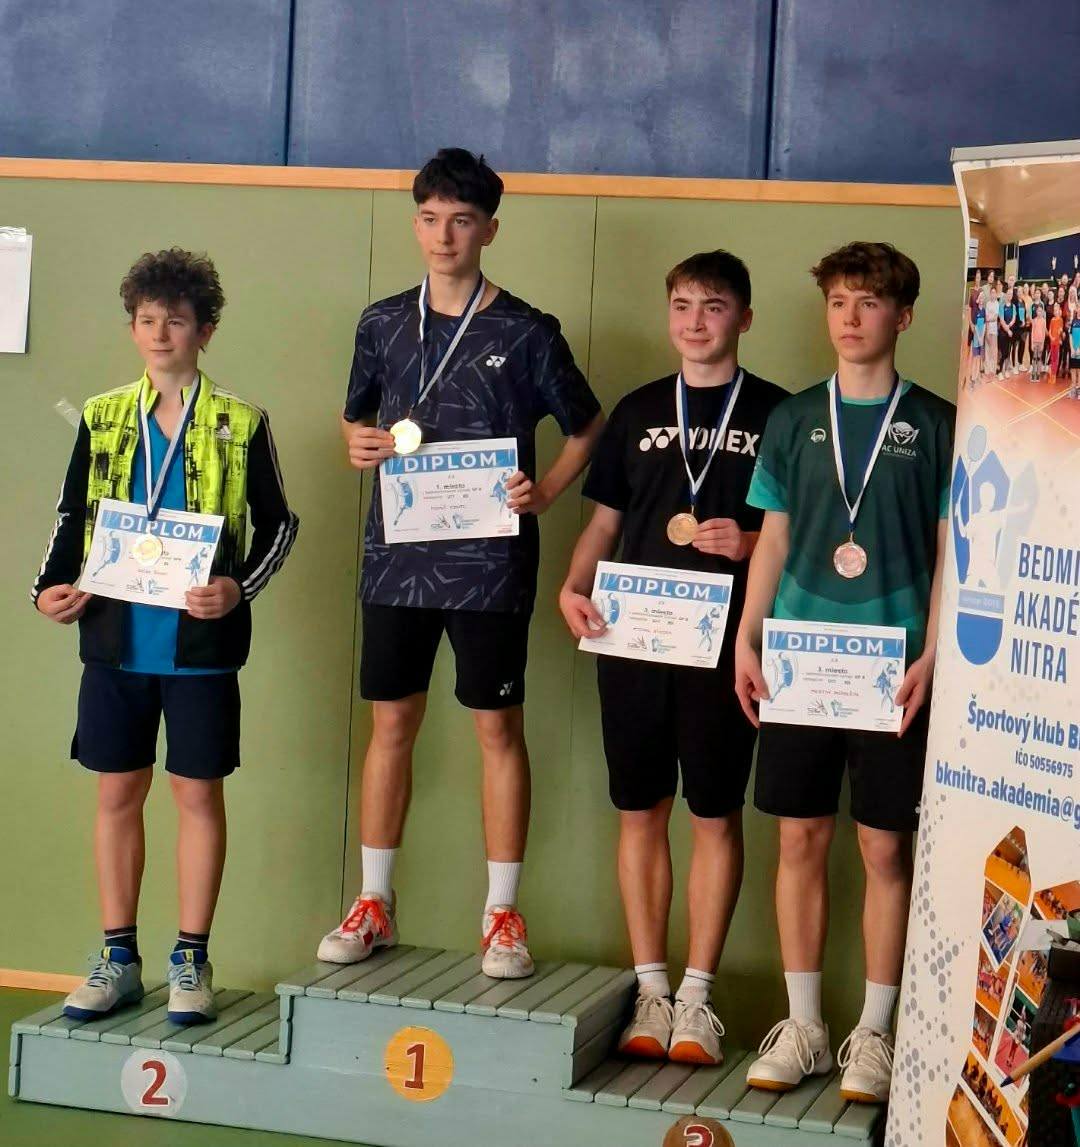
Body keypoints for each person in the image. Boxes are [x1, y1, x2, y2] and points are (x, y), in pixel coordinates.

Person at [322, 148, 603, 979]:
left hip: (489, 562)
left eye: (462, 220)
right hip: (396, 560)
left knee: (496, 728)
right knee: (391, 725)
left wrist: (544, 492)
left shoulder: (527, 330)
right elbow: (354, 420)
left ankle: (502, 914)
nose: (444, 235)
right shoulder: (381, 321)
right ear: (416, 224)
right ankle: (373, 899)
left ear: (489, 230)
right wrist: (356, 445)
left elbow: (586, 426)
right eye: (430, 218)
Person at [33, 248, 298, 1024]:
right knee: (117, 792)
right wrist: (48, 587)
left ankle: (191, 957)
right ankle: (118, 957)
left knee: (196, 794)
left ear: (204, 331)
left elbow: (280, 525)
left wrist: (236, 588)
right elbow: (70, 516)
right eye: (146, 320)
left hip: (200, 648)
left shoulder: (241, 422)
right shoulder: (101, 415)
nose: (159, 333)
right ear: (132, 328)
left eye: (175, 321)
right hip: (114, 640)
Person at [734, 242, 954, 1103]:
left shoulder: (936, 422)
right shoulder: (794, 419)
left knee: (884, 845)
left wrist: (934, 652)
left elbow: (951, 552)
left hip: (894, 669)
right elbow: (774, 540)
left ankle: (874, 1031)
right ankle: (806, 1027)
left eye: (868, 302)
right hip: (801, 664)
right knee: (798, 839)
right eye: (838, 302)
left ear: (903, 315)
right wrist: (747, 637)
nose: (851, 318)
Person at [559, 250, 786, 1066]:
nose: (695, 321)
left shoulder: (779, 414)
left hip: (728, 647)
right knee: (640, 809)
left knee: (714, 813)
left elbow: (802, 534)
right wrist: (572, 585)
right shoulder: (638, 409)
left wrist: (750, 541)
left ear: (744, 318)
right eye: (683, 305)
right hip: (634, 638)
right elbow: (603, 521)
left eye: (714, 306)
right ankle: (650, 989)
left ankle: (697, 996)